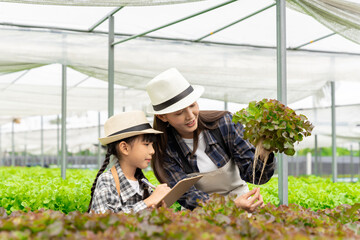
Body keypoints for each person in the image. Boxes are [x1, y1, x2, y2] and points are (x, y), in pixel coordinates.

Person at [145, 68, 276, 212]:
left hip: (242, 204)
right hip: (201, 214)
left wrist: (264, 153)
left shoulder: (224, 123)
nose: (190, 116)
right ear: (162, 117)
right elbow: (187, 196)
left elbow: (256, 177)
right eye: (179, 112)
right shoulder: (164, 148)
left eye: (192, 105)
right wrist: (229, 207)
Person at [88, 111, 171, 214]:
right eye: (146, 144)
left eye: (152, 145)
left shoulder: (144, 183)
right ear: (124, 148)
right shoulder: (107, 180)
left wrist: (158, 206)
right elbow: (103, 221)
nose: (152, 151)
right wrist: (148, 202)